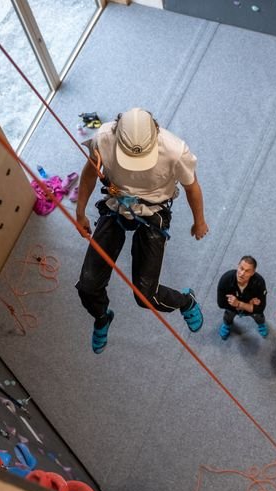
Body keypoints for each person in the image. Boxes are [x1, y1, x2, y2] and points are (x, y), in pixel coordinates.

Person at [75, 108, 208, 354]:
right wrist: (80, 212)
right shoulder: (103, 138)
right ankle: (103, 316)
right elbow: (90, 173)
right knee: (87, 286)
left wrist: (199, 221)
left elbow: (192, 187)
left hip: (153, 210)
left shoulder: (175, 150)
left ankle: (185, 301)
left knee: (145, 296)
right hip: (116, 206)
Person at [216, 256, 267, 340]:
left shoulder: (259, 282)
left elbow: (261, 308)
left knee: (259, 316)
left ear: (253, 273)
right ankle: (227, 324)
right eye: (241, 268)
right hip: (233, 308)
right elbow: (221, 304)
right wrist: (249, 305)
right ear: (238, 266)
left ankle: (261, 324)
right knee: (228, 315)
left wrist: (238, 303)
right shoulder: (226, 279)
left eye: (247, 271)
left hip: (236, 305)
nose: (242, 273)